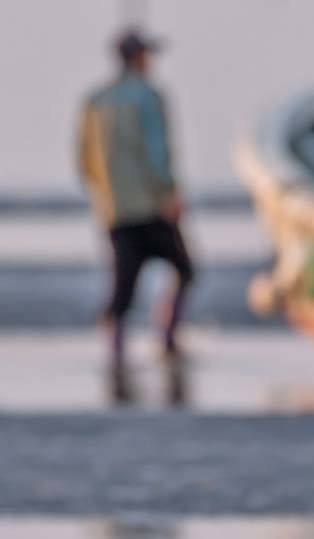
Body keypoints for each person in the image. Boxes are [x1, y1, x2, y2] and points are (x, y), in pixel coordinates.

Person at [77, 28, 194, 368]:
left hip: (115, 209)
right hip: (150, 206)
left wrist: (107, 194)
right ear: (138, 57)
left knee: (123, 282)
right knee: (184, 269)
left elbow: (84, 160)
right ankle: (167, 334)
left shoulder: (95, 101)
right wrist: (169, 192)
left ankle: (117, 348)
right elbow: (157, 153)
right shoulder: (148, 97)